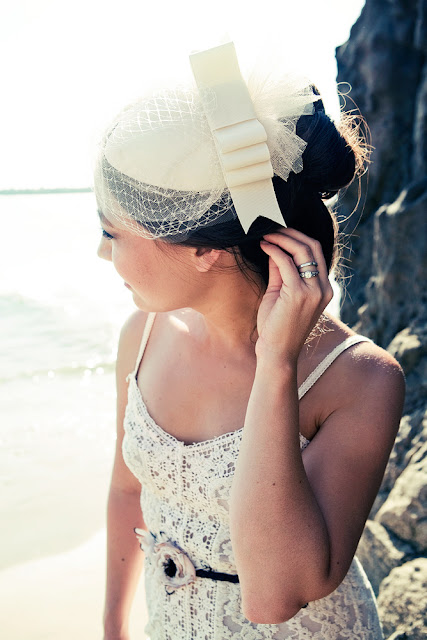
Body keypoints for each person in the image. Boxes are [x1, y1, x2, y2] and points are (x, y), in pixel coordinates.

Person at [97, 43, 405, 640]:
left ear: (203, 250)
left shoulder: (362, 381)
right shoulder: (142, 336)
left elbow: (273, 595)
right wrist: (113, 624)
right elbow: (127, 487)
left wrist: (277, 364)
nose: (102, 253)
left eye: (113, 233)